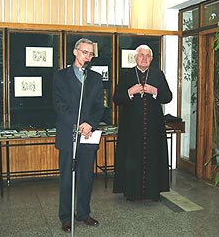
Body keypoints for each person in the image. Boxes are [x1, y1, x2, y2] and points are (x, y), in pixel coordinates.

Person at [53, 38, 104, 232]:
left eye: (90, 54)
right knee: (67, 177)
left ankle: (83, 213)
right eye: (84, 52)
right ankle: (66, 217)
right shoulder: (60, 77)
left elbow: (100, 106)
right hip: (68, 133)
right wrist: (77, 123)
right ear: (75, 52)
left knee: (86, 177)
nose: (87, 56)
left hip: (88, 134)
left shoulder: (95, 78)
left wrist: (89, 124)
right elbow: (59, 105)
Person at [113, 44, 172, 201]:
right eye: (141, 55)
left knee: (153, 158)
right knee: (132, 158)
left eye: (147, 56)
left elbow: (168, 96)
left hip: (153, 127)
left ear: (151, 59)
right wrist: (129, 92)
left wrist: (156, 92)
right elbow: (116, 99)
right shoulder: (127, 75)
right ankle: (132, 192)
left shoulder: (158, 75)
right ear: (135, 58)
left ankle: (153, 192)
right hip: (131, 127)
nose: (144, 58)